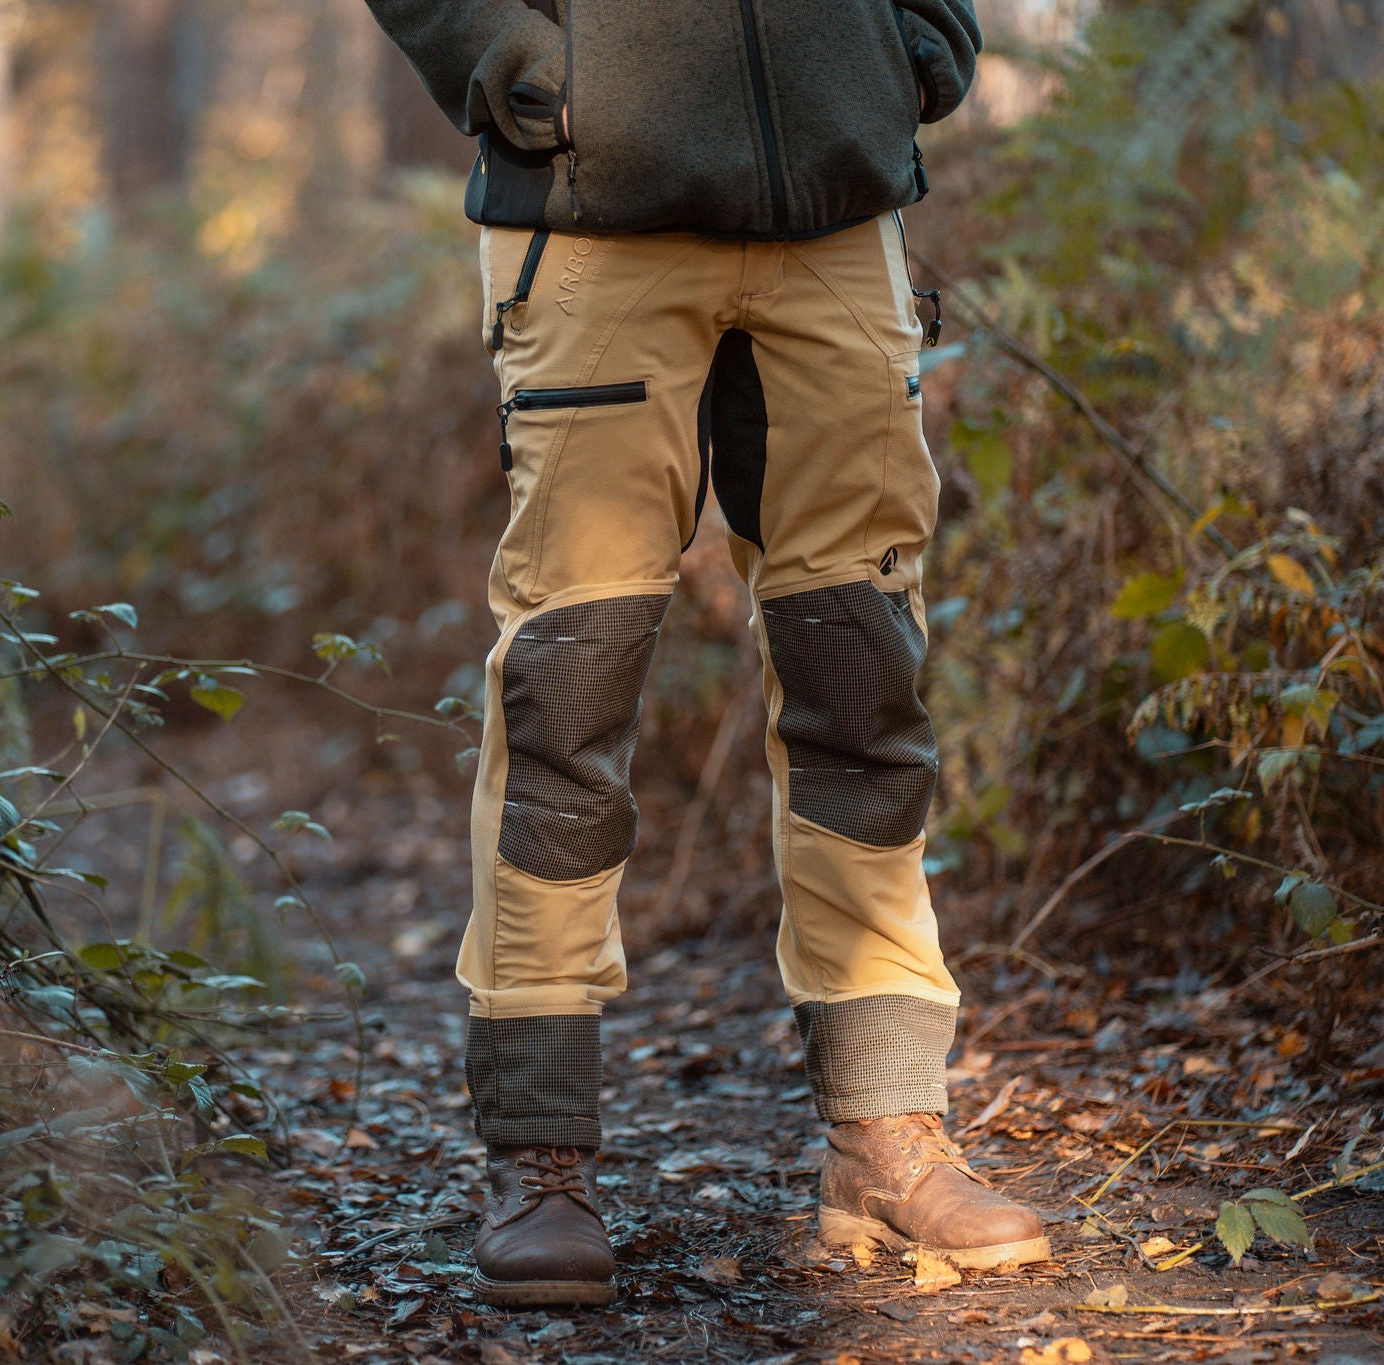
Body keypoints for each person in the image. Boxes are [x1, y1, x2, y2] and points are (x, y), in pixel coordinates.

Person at [361, 0, 1050, 1308]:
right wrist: (519, 64)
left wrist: (917, 42)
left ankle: (887, 1130)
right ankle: (540, 1151)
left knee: (864, 671)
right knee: (571, 678)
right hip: (593, 218)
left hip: (836, 215)